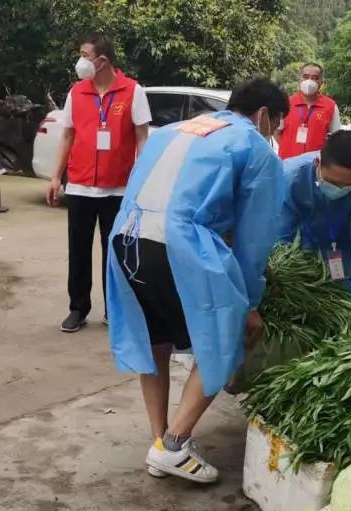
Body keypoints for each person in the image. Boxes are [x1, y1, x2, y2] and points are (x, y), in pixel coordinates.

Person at [106, 78, 289, 484]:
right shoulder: (255, 148)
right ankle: (174, 443)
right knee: (225, 336)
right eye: (275, 124)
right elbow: (254, 237)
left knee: (155, 339)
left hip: (126, 240)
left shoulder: (176, 129)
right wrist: (249, 300)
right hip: (179, 247)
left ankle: (159, 442)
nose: (273, 133)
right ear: (263, 116)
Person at [46, 32, 151, 333]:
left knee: (114, 253)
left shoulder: (133, 91)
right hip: (79, 186)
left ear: (102, 60)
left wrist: (140, 181)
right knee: (78, 250)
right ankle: (78, 308)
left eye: (84, 55)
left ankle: (113, 310)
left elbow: (142, 139)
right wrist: (56, 176)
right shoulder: (76, 92)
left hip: (117, 188)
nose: (80, 61)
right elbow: (67, 136)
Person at [278, 131, 351, 333]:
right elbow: (278, 236)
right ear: (318, 163)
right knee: (308, 318)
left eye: (349, 186)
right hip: (309, 251)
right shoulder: (291, 177)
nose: (339, 189)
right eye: (332, 182)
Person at [277, 63, 342, 160]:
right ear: (300, 79)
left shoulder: (330, 106)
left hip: (317, 165)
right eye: (305, 77)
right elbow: (276, 131)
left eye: (315, 78)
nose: (309, 81)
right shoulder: (286, 103)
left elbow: (336, 138)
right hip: (288, 163)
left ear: (321, 82)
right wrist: (287, 148)